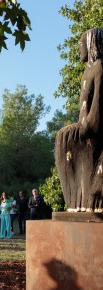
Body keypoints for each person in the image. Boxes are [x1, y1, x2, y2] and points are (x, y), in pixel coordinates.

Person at [55, 28, 103, 212]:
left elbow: (98, 103)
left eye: (81, 44)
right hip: (84, 125)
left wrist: (86, 126)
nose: (79, 50)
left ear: (91, 44)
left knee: (64, 136)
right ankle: (77, 201)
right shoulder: (88, 70)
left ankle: (87, 201)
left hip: (92, 127)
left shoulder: (99, 67)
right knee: (63, 138)